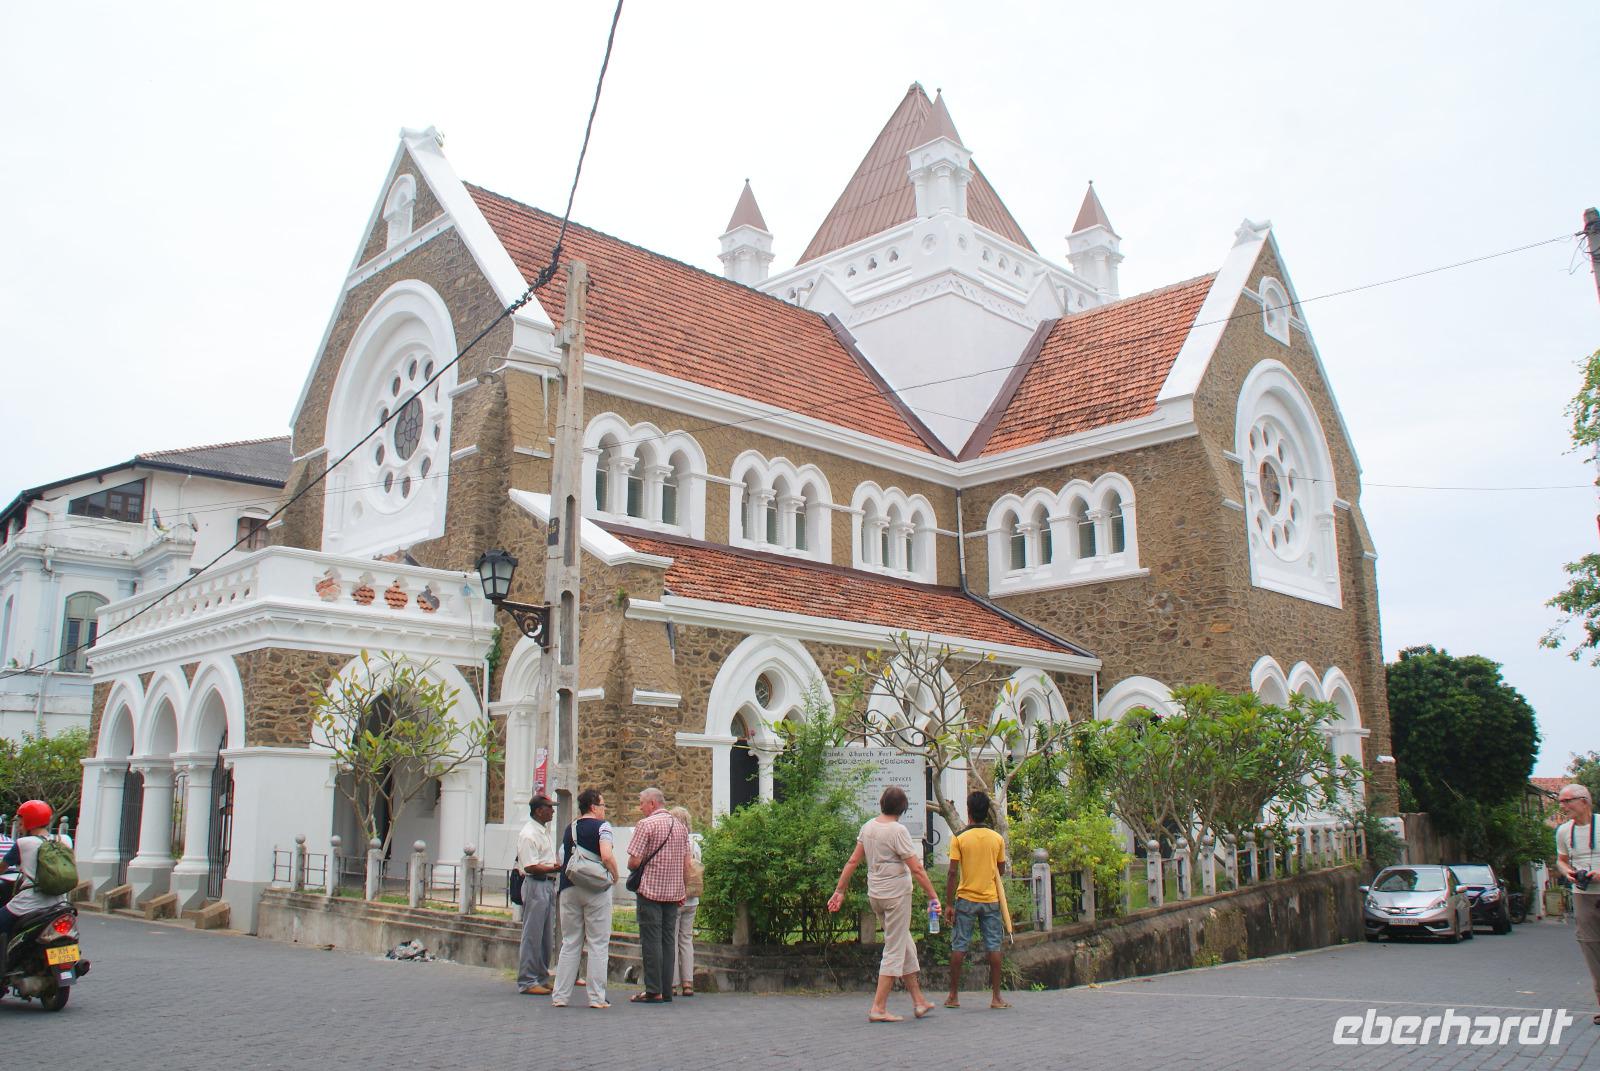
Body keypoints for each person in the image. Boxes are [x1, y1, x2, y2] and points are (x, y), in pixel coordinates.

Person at [827, 785, 941, 1023]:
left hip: (876, 894)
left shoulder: (868, 827)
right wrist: (933, 896)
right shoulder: (897, 831)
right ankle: (878, 1007)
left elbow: (853, 860)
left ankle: (919, 1001)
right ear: (903, 809)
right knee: (894, 949)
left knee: (904, 943)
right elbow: (917, 868)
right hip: (896, 896)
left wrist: (840, 890)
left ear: (881, 803)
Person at [552, 788, 620, 1009]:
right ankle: (596, 997)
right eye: (602, 805)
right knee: (598, 943)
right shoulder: (603, 827)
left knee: (570, 942)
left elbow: (562, 856)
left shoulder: (570, 828)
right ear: (593, 806)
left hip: (569, 886)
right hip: (595, 888)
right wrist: (615, 875)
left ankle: (560, 996)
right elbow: (606, 854)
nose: (604, 809)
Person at [943, 790, 1010, 1009]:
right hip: (990, 899)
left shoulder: (960, 838)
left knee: (959, 945)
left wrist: (949, 903)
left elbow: (952, 872)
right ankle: (996, 997)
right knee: (994, 946)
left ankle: (953, 996)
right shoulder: (997, 838)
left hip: (965, 899)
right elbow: (1000, 869)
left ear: (969, 812)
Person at [626, 786, 692, 1004]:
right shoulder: (681, 827)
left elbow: (634, 861)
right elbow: (686, 864)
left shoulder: (645, 825)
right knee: (668, 940)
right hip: (673, 892)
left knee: (651, 941)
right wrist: (683, 888)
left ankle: (653, 990)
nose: (640, 807)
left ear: (652, 803)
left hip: (651, 891)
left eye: (642, 802)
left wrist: (640, 862)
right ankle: (666, 988)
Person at [0, 800, 72, 970]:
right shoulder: (64, 840)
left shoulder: (24, 843)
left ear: (29, 820)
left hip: (28, 904)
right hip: (60, 904)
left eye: (21, 820)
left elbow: (2, 867)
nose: (19, 825)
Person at [1555, 784, 1600, 1024]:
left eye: (1567, 801)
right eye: (1560, 802)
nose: (1563, 807)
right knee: (1591, 947)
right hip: (1583, 895)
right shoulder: (1563, 831)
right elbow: (1561, 860)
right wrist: (1568, 872)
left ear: (1584, 801)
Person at [515, 794, 560, 994]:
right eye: (549, 807)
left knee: (545, 935)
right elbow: (530, 866)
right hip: (536, 883)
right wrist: (554, 868)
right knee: (532, 934)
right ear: (538, 810)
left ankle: (541, 976)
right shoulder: (528, 834)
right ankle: (527, 980)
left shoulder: (542, 831)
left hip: (548, 884)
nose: (552, 811)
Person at [668, 805, 703, 997]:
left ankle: (672, 983)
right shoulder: (695, 843)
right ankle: (688, 982)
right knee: (686, 939)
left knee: (672, 939)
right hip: (693, 897)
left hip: (676, 895)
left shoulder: (675, 840)